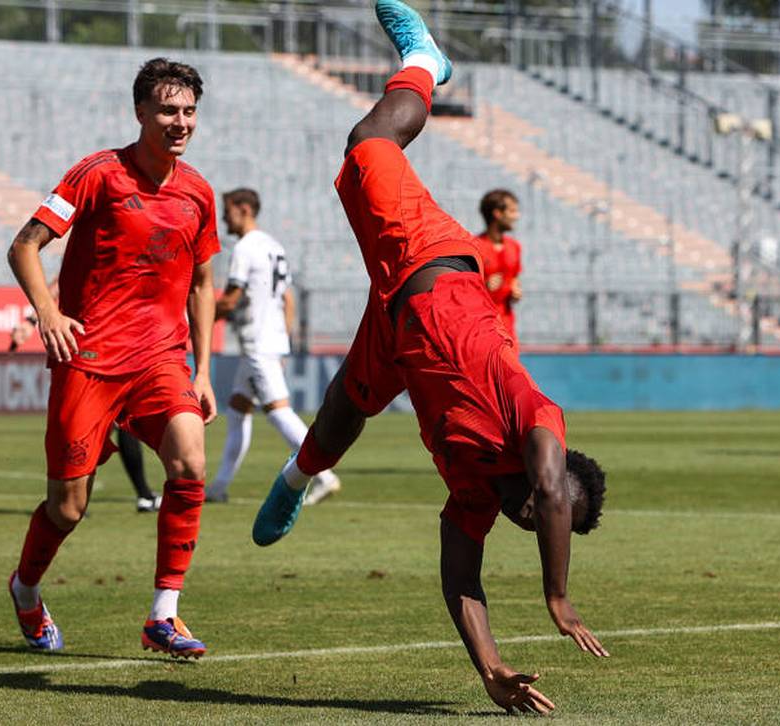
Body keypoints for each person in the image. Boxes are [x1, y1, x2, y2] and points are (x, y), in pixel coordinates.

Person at [250, 1, 609, 714]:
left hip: (397, 330)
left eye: (538, 524)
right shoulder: (535, 419)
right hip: (429, 262)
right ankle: (424, 59)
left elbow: (461, 580)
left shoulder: (477, 496)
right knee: (367, 140)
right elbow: (545, 486)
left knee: (345, 410)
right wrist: (557, 596)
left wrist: (491, 667)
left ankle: (296, 476)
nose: (532, 516)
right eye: (548, 511)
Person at [4, 58, 220, 658]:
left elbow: (204, 284)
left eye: (189, 111)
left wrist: (203, 370)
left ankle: (163, 615)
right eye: (168, 110)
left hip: (160, 359)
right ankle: (25, 589)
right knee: (68, 507)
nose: (180, 122)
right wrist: (48, 312)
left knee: (189, 462)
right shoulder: (97, 174)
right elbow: (25, 246)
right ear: (140, 113)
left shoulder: (198, 192)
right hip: (90, 361)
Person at [205, 188, 341, 505]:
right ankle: (219, 486)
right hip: (271, 339)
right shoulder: (273, 245)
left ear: (244, 209)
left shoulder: (245, 248)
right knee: (238, 409)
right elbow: (288, 299)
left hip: (258, 342)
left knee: (279, 412)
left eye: (227, 210)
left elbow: (230, 299)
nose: (223, 217)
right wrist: (284, 341)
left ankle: (324, 474)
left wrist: (197, 318)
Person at [9, 290, 162, 514]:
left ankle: (136, 495)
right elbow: (57, 285)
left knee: (117, 422)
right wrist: (34, 319)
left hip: (121, 343)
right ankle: (72, 497)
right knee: (103, 426)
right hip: (98, 347)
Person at [474, 189, 524, 347]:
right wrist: (484, 287)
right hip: (480, 327)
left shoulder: (514, 246)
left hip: (507, 327)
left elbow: (515, 279)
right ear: (497, 213)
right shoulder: (474, 247)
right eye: (512, 211)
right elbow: (463, 290)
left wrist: (516, 292)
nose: (517, 216)